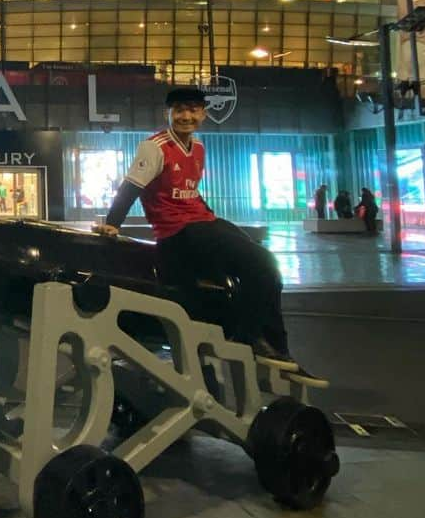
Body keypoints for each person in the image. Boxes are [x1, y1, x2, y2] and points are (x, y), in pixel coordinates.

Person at [93, 86, 325, 387]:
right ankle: (261, 341)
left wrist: (214, 221)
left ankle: (269, 344)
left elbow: (191, 194)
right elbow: (131, 188)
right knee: (261, 262)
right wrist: (113, 224)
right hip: (178, 233)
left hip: (201, 221)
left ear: (203, 114)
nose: (186, 116)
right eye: (179, 110)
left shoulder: (198, 148)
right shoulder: (155, 147)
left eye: (192, 110)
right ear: (169, 114)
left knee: (260, 260)